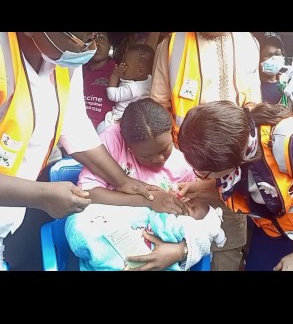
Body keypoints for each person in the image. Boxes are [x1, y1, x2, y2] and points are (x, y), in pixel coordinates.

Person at [0, 32, 173, 270]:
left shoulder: (61, 61)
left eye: (94, 36)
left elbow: (75, 128)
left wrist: (123, 180)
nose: (90, 47)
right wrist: (41, 195)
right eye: (82, 37)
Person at [177, 100, 293, 271]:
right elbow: (252, 184)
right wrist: (206, 187)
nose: (200, 176)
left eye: (203, 172)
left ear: (230, 162)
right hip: (278, 226)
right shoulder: (237, 141)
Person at [150, 31, 262, 271]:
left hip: (233, 169)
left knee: (228, 243)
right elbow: (158, 106)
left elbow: (254, 106)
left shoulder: (248, 42)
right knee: (180, 237)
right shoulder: (172, 43)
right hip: (185, 164)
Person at [77, 98, 222, 270]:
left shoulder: (183, 161)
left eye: (165, 149)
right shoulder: (112, 140)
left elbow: (198, 222)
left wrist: (178, 250)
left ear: (171, 134)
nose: (159, 159)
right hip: (116, 238)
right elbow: (88, 193)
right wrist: (147, 200)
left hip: (159, 250)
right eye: (145, 156)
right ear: (127, 144)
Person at [65, 199, 226, 271]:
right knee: (82, 224)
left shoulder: (187, 228)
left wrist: (182, 244)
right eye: (190, 202)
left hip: (157, 262)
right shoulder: (161, 210)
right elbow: (148, 216)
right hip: (116, 248)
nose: (186, 205)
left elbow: (185, 230)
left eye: (192, 209)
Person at [96, 44, 154, 133]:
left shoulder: (133, 89)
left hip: (118, 120)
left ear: (140, 71)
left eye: (125, 64)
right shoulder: (149, 80)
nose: (120, 66)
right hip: (133, 120)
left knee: (100, 128)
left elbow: (112, 95)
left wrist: (115, 75)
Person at [82, 32, 116, 129]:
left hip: (103, 133)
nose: (96, 43)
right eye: (92, 39)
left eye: (101, 38)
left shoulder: (117, 72)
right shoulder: (77, 68)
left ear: (110, 45)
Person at [259, 32, 289, 106]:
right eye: (268, 55)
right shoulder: (253, 87)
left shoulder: (286, 86)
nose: (273, 58)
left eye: (277, 54)